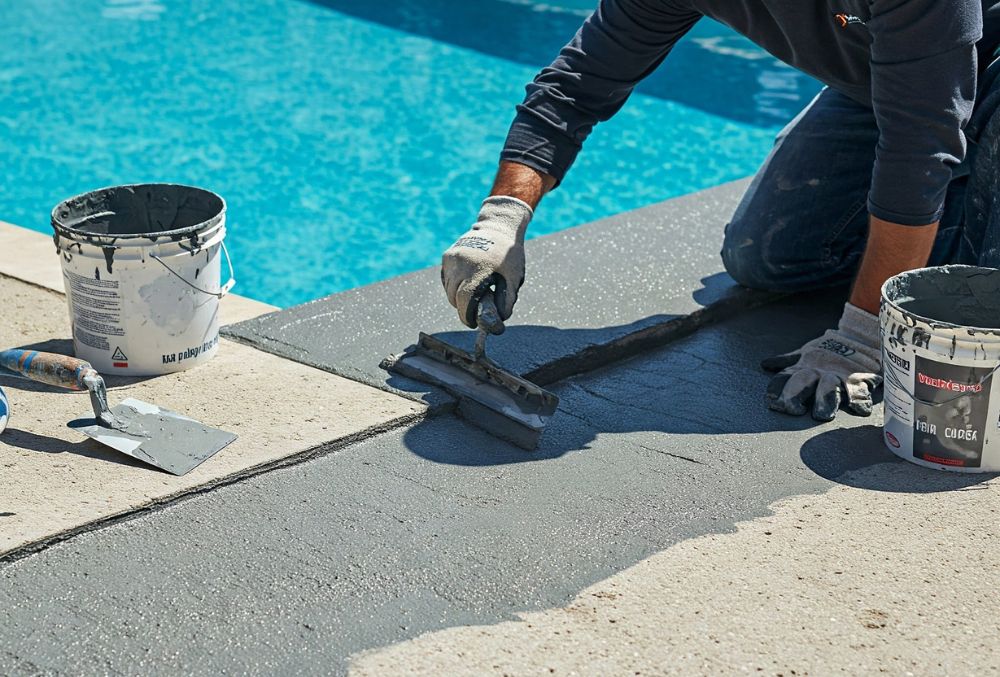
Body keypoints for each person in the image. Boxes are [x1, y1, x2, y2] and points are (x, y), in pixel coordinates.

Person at [441, 0, 1000, 422]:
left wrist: (864, 333)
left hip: (986, 72)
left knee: (972, 303)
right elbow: (575, 87)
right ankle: (954, 220)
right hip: (889, 86)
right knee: (769, 258)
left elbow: (918, 152)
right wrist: (502, 218)